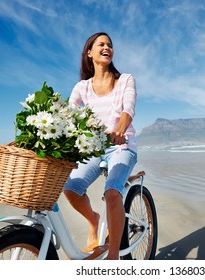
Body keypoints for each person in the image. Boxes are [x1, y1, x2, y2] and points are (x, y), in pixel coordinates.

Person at [63, 32, 138, 260]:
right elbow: (68, 117)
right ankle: (93, 220)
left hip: (121, 146)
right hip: (93, 148)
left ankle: (113, 257)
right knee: (71, 189)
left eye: (110, 45)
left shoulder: (125, 79)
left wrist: (120, 129)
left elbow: (128, 109)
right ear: (89, 52)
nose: (107, 47)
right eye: (101, 44)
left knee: (113, 192)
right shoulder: (82, 87)